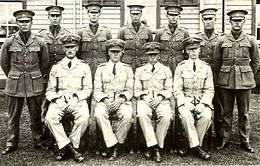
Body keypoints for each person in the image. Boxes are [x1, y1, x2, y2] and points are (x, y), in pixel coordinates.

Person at [1, 9, 49, 155]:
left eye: (27, 21)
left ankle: (38, 140)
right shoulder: (9, 41)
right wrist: (14, 75)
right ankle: (11, 142)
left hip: (34, 82)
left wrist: (35, 75)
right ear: (17, 23)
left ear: (31, 23)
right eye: (21, 22)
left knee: (35, 114)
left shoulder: (40, 41)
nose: (24, 24)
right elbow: (4, 63)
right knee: (13, 115)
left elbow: (44, 63)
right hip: (15, 82)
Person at [214, 10, 259, 153]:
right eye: (234, 21)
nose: (237, 23)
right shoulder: (222, 40)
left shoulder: (250, 40)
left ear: (244, 22)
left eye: (239, 21)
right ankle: (225, 140)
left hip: (244, 81)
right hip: (226, 81)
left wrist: (247, 73)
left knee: (244, 113)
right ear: (230, 22)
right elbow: (217, 61)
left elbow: (256, 62)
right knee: (226, 112)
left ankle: (244, 140)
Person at [45, 34, 92, 162]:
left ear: (77, 48)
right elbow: (50, 90)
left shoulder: (84, 66)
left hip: (78, 99)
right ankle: (71, 149)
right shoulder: (56, 67)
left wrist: (77, 98)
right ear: (63, 49)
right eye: (67, 47)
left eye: (72, 47)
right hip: (60, 99)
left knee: (84, 118)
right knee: (50, 118)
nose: (70, 50)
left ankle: (65, 147)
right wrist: (56, 100)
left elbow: (88, 88)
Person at [174, 36, 214, 160]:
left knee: (206, 116)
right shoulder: (180, 67)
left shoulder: (206, 67)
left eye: (195, 49)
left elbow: (209, 89)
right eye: (190, 50)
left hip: (202, 101)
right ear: (186, 51)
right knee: (186, 116)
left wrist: (203, 104)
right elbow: (177, 90)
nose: (193, 52)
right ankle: (197, 148)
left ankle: (190, 145)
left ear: (199, 50)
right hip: (186, 100)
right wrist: (185, 103)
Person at [94, 39, 134, 161]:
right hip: (105, 101)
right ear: (108, 53)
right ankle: (113, 145)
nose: (115, 54)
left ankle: (114, 144)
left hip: (122, 101)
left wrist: (120, 100)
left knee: (127, 116)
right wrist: (106, 101)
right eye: (112, 52)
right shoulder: (101, 68)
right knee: (99, 114)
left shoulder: (127, 69)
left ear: (122, 52)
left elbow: (130, 89)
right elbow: (97, 89)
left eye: (118, 51)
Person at [36, 5, 70, 146]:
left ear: (61, 17)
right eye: (52, 16)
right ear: (48, 17)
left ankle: (64, 132)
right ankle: (45, 133)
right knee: (45, 104)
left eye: (57, 15)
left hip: (63, 75)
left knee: (63, 102)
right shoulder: (41, 35)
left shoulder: (67, 34)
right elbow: (37, 56)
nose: (55, 18)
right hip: (46, 75)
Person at [134, 42, 173, 163]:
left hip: (161, 100)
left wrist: (160, 97)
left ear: (159, 55)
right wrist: (145, 98)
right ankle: (155, 148)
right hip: (145, 99)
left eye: (155, 54)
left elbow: (169, 88)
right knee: (142, 114)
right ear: (146, 55)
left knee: (166, 116)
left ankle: (153, 146)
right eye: (150, 55)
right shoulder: (140, 70)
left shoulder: (166, 70)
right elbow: (136, 89)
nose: (152, 57)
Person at [197, 8, 223, 146]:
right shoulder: (197, 37)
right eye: (205, 19)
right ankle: (204, 136)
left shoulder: (221, 37)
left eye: (210, 19)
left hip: (217, 77)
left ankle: (220, 137)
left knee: (219, 107)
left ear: (215, 19)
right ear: (202, 21)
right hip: (201, 78)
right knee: (202, 105)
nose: (208, 22)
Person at [77, 1, 112, 77]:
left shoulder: (106, 31)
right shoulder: (81, 31)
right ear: (88, 13)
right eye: (91, 12)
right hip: (85, 67)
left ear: (99, 13)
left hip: (102, 67)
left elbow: (110, 51)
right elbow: (77, 51)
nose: (94, 15)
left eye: (96, 13)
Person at [154, 4, 189, 75]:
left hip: (179, 63)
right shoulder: (160, 32)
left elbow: (187, 51)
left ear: (179, 16)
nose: (173, 17)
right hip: (164, 63)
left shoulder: (184, 32)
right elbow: (155, 50)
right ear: (167, 16)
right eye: (171, 15)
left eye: (175, 15)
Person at [117, 4, 153, 71]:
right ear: (130, 14)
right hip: (127, 62)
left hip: (143, 62)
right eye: (133, 14)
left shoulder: (148, 30)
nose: (135, 16)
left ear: (141, 14)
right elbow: (119, 47)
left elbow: (150, 47)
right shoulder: (123, 30)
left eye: (137, 14)